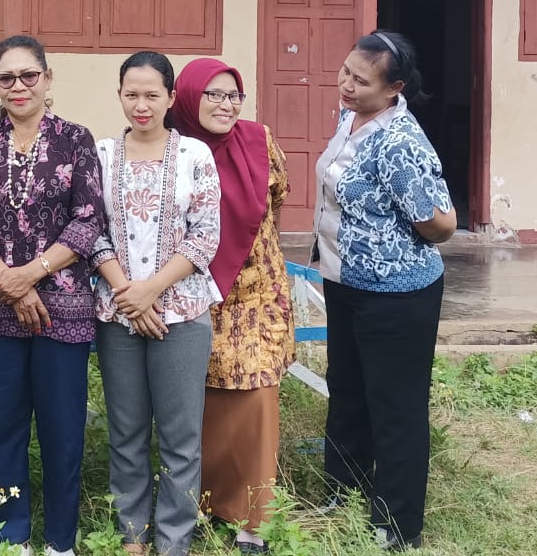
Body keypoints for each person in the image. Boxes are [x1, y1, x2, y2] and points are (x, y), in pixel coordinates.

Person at [0, 34, 104, 556]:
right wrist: (9, 284)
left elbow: (88, 222)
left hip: (62, 307)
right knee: (4, 427)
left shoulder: (75, 141)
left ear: (47, 78)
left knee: (63, 431)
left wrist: (30, 275)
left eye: (28, 75)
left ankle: (61, 540)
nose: (18, 86)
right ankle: (11, 536)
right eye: (6, 78)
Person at [313, 30, 456, 551]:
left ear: (394, 88)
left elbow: (441, 224)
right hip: (344, 280)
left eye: (361, 80)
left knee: (394, 404)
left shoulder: (401, 143)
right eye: (346, 71)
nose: (346, 84)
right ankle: (343, 491)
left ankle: (398, 525)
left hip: (396, 294)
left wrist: (384, 246)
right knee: (347, 389)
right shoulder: (349, 116)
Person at [92, 51, 221, 556]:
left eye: (152, 95)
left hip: (182, 315)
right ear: (119, 95)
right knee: (125, 430)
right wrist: (130, 293)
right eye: (131, 94)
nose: (141, 105)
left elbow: (206, 235)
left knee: (180, 436)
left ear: (171, 97)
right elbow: (90, 231)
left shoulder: (194, 156)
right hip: (117, 313)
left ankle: (173, 541)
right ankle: (131, 537)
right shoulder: (100, 154)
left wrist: (151, 291)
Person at [173, 58, 295, 555]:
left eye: (233, 95)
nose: (226, 105)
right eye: (214, 95)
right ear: (188, 97)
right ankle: (203, 503)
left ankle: (254, 520)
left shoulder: (259, 139)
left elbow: (278, 196)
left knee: (256, 396)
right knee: (199, 401)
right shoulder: (172, 146)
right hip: (194, 287)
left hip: (258, 292)